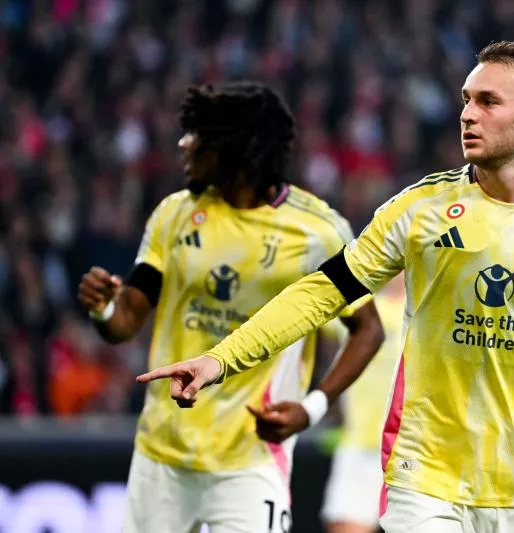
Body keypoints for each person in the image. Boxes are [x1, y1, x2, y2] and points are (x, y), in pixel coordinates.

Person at [137, 42, 514, 533]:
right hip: (422, 473)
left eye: (487, 101)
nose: (467, 113)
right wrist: (220, 359)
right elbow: (323, 291)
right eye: (465, 100)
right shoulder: (419, 210)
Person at [77, 81, 384, 533]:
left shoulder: (316, 231)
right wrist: (104, 309)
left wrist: (310, 409)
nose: (184, 144)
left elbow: (368, 329)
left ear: (234, 148)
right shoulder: (174, 214)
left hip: (252, 459)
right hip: (163, 454)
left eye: (197, 135)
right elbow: (125, 321)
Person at [321, 273, 406, 533]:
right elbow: (314, 311)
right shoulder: (361, 309)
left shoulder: (431, 310)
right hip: (361, 448)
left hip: (415, 453)